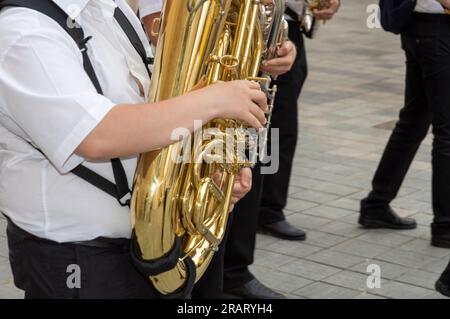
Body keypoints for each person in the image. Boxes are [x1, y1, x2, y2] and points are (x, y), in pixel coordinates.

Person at [0, 0, 267, 299]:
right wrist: (214, 100)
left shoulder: (108, 9)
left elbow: (157, 113)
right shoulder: (24, 30)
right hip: (80, 263)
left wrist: (207, 174)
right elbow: (97, 135)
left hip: (141, 247)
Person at [223, 0, 341, 299]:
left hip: (271, 33)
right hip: (227, 46)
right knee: (235, 154)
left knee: (265, 144)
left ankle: (235, 267)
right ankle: (227, 270)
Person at [360, 0, 450, 250]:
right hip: (434, 28)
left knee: (414, 120)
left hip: (425, 27)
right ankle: (445, 227)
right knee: (445, 130)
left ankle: (376, 205)